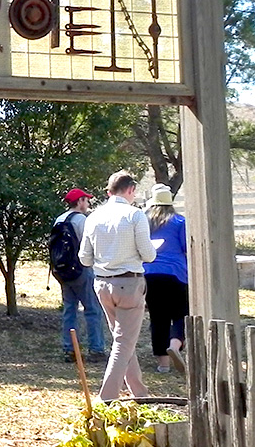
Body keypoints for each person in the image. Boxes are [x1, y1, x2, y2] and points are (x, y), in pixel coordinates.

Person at [79, 171, 157, 402]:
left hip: (102, 283)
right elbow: (149, 255)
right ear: (131, 189)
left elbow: (84, 258)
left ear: (108, 192)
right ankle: (107, 398)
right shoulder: (135, 215)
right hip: (129, 283)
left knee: (123, 339)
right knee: (124, 342)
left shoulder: (93, 217)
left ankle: (139, 392)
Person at [55, 188, 107, 361]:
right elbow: (90, 245)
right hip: (81, 269)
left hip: (62, 270)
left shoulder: (59, 220)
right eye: (85, 200)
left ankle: (69, 349)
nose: (87, 203)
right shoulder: (82, 220)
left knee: (69, 310)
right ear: (79, 202)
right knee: (92, 309)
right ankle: (96, 349)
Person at [143, 183, 188, 374]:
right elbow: (186, 248)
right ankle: (175, 345)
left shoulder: (144, 221)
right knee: (181, 314)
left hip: (149, 274)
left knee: (158, 318)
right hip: (176, 273)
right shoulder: (179, 221)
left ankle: (163, 365)